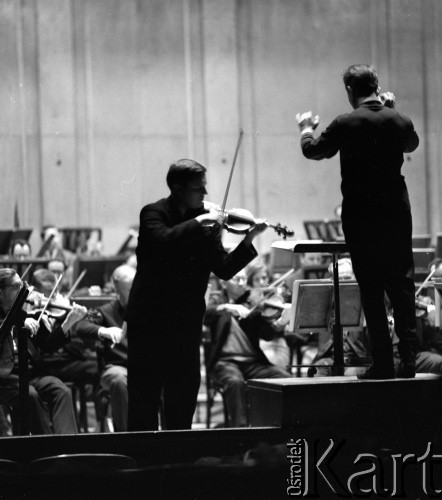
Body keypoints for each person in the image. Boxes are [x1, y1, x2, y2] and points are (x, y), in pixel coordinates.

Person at [296, 64, 420, 379]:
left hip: (362, 217)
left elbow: (313, 151)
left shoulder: (345, 122)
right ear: (376, 85)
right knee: (402, 286)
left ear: (351, 91)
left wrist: (306, 128)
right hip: (396, 214)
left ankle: (382, 364)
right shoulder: (398, 119)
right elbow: (411, 144)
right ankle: (408, 360)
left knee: (372, 289)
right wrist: (392, 111)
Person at [125, 159, 266, 431]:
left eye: (204, 188)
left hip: (185, 324)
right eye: (197, 189)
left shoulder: (207, 227)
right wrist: (200, 220)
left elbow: (223, 269)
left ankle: (181, 463)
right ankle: (142, 464)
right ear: (178, 189)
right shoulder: (153, 214)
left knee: (183, 398)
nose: (204, 195)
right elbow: (163, 241)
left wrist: (247, 240)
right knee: (144, 399)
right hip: (149, 324)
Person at [0, 268, 83, 434]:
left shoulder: (23, 314)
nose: (23, 290)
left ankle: (66, 445)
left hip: (30, 373)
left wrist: (68, 323)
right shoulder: (19, 317)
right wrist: (21, 321)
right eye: (16, 286)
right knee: (30, 395)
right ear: (1, 293)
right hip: (6, 377)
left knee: (61, 390)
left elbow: (48, 345)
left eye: (22, 285)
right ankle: (46, 447)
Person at [204, 269, 291, 427]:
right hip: (225, 363)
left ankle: (279, 430)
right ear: (224, 282)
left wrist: (279, 324)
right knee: (235, 383)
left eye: (244, 279)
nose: (242, 283)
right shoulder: (217, 300)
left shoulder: (252, 303)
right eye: (237, 279)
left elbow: (266, 333)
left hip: (252, 363)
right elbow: (204, 314)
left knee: (286, 380)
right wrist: (227, 307)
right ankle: (242, 436)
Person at [75, 265, 134, 432]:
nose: (135, 292)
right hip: (118, 368)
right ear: (117, 291)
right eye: (129, 289)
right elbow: (82, 325)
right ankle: (126, 438)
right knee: (119, 380)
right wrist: (104, 330)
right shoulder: (103, 311)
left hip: (145, 367)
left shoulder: (147, 308)